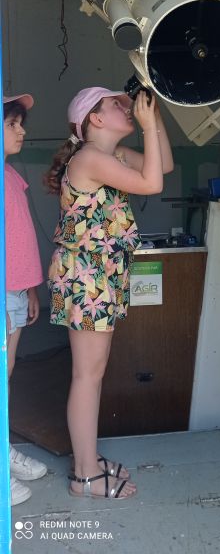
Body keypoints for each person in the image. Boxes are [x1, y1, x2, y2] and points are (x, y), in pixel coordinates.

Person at [44, 86, 173, 499]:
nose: (125, 107)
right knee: (87, 375)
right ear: (95, 120)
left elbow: (163, 165)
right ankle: (84, 475)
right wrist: (149, 123)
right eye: (115, 105)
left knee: (92, 375)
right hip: (87, 278)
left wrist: (157, 116)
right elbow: (152, 184)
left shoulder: (109, 157)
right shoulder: (89, 159)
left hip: (99, 276)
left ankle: (88, 457)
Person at [4, 93, 47, 506]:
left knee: (7, 375)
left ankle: (3, 451)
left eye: (20, 122)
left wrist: (31, 287)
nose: (22, 130)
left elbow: (19, 238)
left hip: (16, 290)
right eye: (12, 123)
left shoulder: (11, 174)